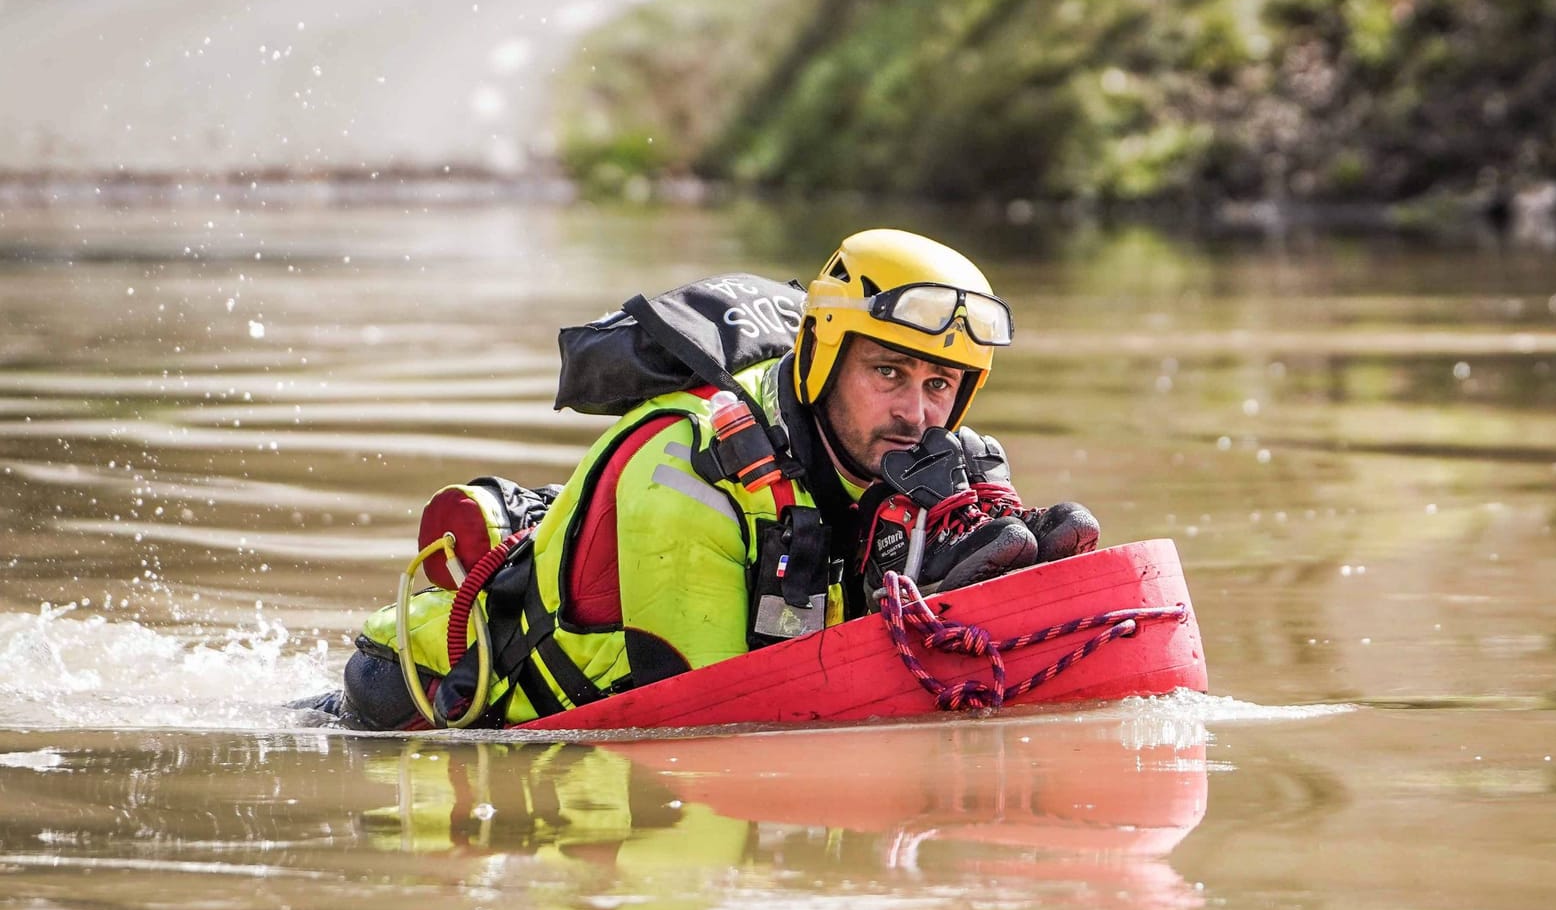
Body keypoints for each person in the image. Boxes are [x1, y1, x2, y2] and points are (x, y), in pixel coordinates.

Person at [329, 228, 1098, 730]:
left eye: (940, 386)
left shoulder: (892, 468)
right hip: (436, 719)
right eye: (889, 372)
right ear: (823, 356)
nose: (916, 414)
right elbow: (715, 729)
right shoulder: (689, 471)